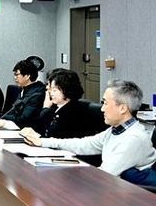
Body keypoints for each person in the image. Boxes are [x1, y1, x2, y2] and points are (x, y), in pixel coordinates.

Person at [21, 80, 156, 186]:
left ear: (122, 108)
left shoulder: (133, 139)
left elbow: (103, 175)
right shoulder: (116, 130)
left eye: (105, 103)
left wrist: (62, 175)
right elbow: (85, 144)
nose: (102, 109)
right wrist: (42, 141)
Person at [22, 69, 105, 139]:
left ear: (66, 90)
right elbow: (39, 129)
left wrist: (45, 109)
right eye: (50, 90)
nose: (50, 93)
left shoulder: (75, 112)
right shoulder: (56, 108)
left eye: (54, 90)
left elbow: (54, 136)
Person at [0, 59, 45, 128]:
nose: (15, 78)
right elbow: (13, 112)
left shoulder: (37, 94)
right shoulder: (23, 89)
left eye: (17, 75)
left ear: (27, 76)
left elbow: (22, 119)